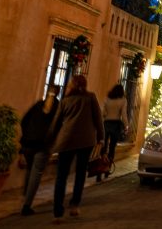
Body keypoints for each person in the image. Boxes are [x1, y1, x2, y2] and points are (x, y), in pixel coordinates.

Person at [46, 74, 104, 223]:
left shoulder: (65, 100)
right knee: (80, 174)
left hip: (66, 141)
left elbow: (56, 122)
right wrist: (101, 138)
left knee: (61, 177)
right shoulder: (90, 97)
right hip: (85, 141)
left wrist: (50, 140)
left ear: (71, 85)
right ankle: (74, 205)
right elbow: (98, 119)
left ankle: (57, 213)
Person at [19, 85, 59, 216]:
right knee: (36, 174)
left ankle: (24, 197)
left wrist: (27, 135)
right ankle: (27, 205)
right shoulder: (57, 109)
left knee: (30, 170)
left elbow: (24, 121)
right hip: (42, 146)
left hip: (28, 143)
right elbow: (58, 128)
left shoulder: (38, 105)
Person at [98, 84, 129, 182]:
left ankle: (99, 171)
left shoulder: (107, 99)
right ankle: (107, 170)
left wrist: (106, 116)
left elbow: (103, 112)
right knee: (112, 147)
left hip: (106, 123)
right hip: (116, 124)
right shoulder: (123, 100)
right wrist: (126, 125)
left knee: (103, 147)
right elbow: (124, 114)